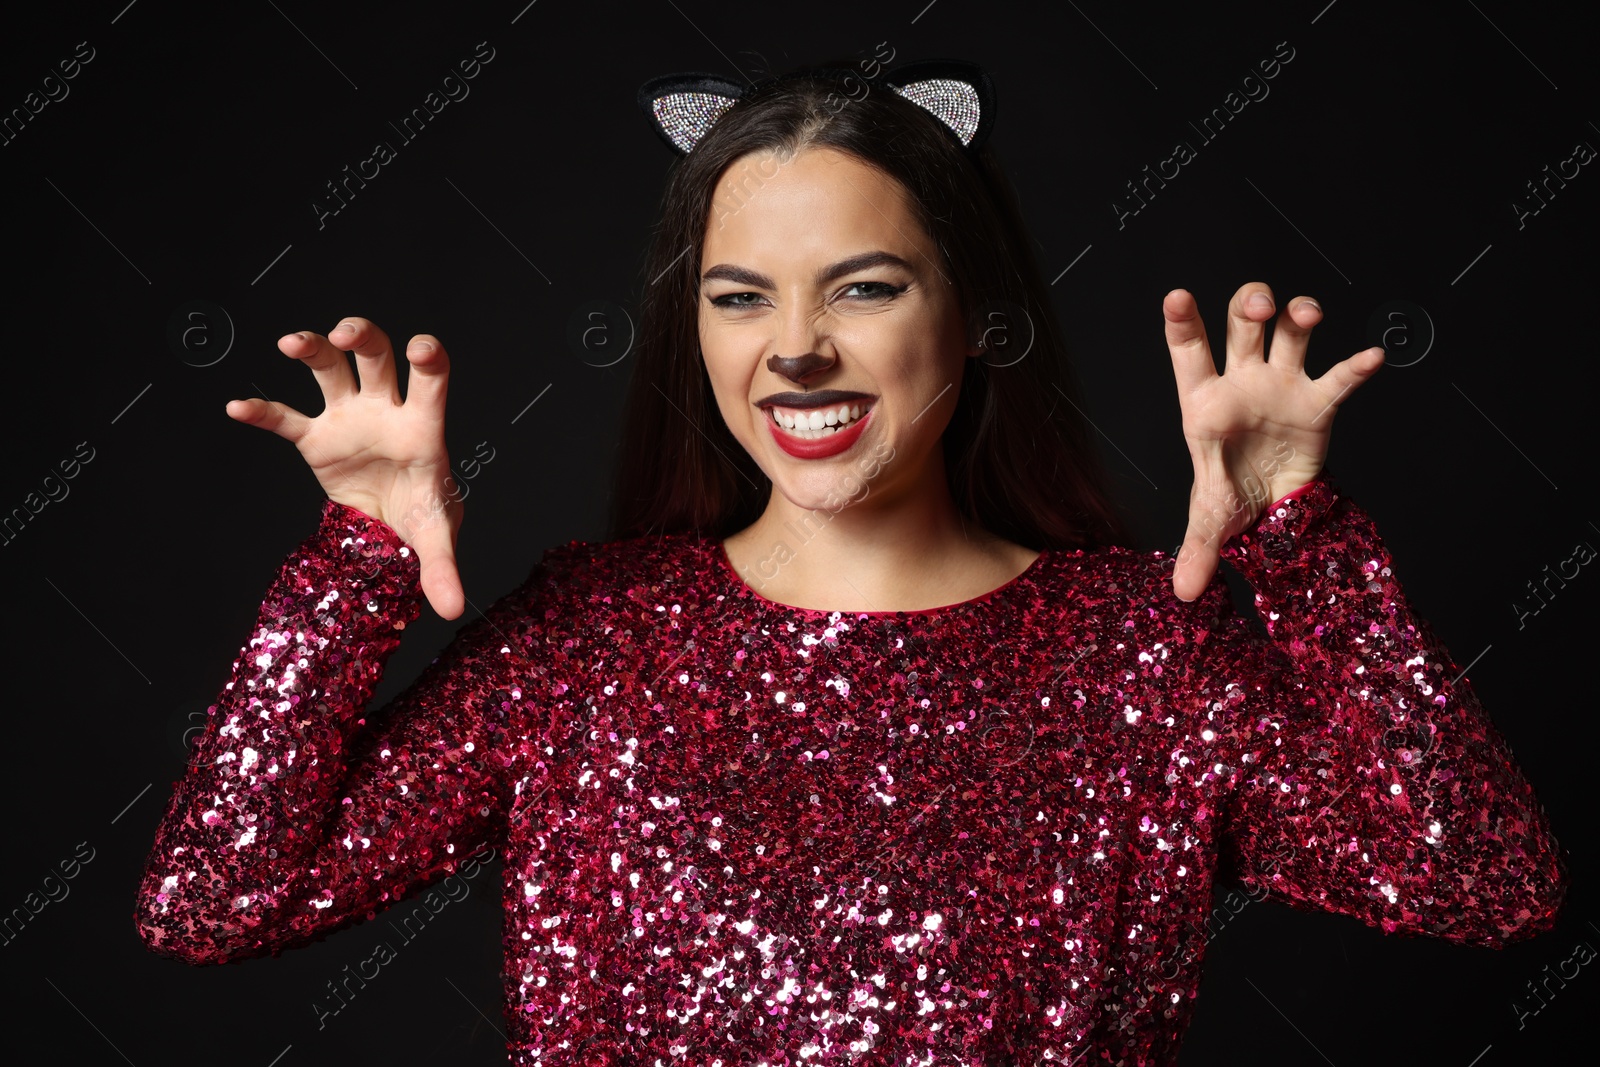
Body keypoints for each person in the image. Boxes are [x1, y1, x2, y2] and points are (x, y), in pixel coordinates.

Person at [133, 59, 1568, 1064]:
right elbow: (215, 901)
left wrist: (1299, 544)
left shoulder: (1141, 654)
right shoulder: (589, 639)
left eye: (865, 287)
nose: (797, 347)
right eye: (741, 295)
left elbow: (1483, 884)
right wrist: (357, 561)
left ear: (975, 316)